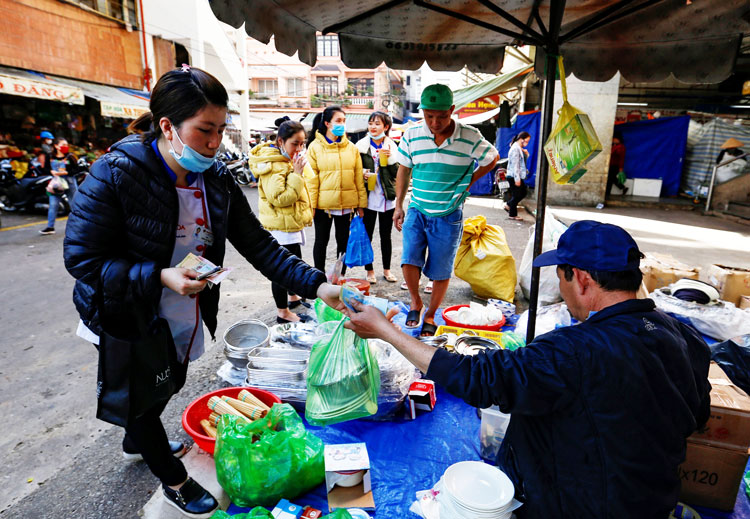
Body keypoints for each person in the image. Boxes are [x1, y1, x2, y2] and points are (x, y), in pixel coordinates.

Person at [63, 67, 343, 519]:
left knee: (168, 380)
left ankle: (138, 436)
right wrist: (158, 276)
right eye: (205, 131)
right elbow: (82, 260)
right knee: (141, 394)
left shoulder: (215, 178)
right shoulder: (115, 173)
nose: (215, 143)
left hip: (185, 304)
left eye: (221, 130)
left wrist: (318, 285)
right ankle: (174, 481)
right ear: (169, 127)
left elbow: (259, 245)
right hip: (125, 308)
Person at [344, 220, 711, 519]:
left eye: (561, 277)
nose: (562, 290)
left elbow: (478, 377)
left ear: (581, 278)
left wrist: (386, 332)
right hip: (652, 500)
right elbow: (698, 415)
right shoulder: (682, 334)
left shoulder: (575, 351)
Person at [395, 84, 498, 336]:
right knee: (409, 258)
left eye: (441, 116)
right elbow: (403, 169)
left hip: (449, 212)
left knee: (441, 268)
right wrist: (398, 204)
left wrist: (469, 181)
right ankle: (415, 302)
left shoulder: (470, 136)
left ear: (452, 110)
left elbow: (492, 158)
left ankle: (430, 314)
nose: (434, 122)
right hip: (417, 207)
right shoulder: (411, 134)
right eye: (429, 116)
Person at [248, 118, 315, 324]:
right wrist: (296, 174)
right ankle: (282, 312)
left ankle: (292, 297)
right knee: (281, 269)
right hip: (280, 227)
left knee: (293, 263)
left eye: (302, 143)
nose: (299, 148)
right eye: (294, 143)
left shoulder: (285, 160)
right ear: (280, 141)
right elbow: (280, 199)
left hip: (289, 224)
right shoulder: (273, 166)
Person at [306, 105, 367, 275]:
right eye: (338, 121)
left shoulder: (352, 148)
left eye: (344, 121)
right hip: (322, 206)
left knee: (343, 242)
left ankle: (340, 276)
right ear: (327, 123)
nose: (342, 124)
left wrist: (361, 204)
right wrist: (310, 206)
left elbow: (358, 179)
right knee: (321, 242)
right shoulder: (314, 148)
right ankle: (318, 277)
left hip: (346, 205)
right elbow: (311, 180)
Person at [355, 111, 399, 284]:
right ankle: (369, 271)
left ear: (386, 127)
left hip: (387, 197)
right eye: (371, 123)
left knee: (385, 235)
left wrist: (390, 159)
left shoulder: (393, 146)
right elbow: (355, 169)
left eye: (377, 123)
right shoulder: (360, 146)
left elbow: (398, 173)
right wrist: (362, 175)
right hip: (368, 197)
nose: (373, 127)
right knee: (368, 236)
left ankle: (387, 270)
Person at [40, 137, 79, 235]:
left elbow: (76, 170)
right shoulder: (50, 156)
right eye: (63, 145)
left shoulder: (70, 156)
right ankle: (50, 227)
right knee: (53, 205)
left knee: (74, 204)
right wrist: (51, 171)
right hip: (57, 183)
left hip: (69, 182)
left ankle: (80, 225)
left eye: (66, 145)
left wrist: (66, 172)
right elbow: (45, 169)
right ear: (56, 146)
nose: (65, 147)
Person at [504, 131, 530, 220]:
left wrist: (525, 154)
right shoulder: (515, 149)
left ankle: (508, 205)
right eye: (527, 141)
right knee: (517, 194)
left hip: (515, 175)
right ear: (521, 139)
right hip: (514, 176)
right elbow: (516, 165)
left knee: (522, 192)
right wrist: (517, 179)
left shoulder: (518, 148)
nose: (527, 143)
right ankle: (512, 214)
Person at [606, 131, 628, 196]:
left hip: (615, 166)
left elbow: (621, 158)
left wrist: (621, 168)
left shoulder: (621, 147)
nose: (613, 140)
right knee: (612, 178)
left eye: (615, 139)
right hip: (610, 165)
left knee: (610, 179)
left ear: (619, 139)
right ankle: (623, 188)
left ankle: (607, 193)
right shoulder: (613, 146)